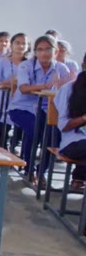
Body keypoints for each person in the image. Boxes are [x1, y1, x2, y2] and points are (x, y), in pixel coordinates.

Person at [9, 35, 70, 183]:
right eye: (40, 50)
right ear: (35, 52)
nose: (44, 53)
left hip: (48, 109)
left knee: (54, 135)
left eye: (48, 49)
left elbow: (68, 91)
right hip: (22, 108)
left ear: (56, 51)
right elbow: (23, 88)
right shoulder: (26, 65)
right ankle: (29, 169)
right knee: (34, 128)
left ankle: (41, 171)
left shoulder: (61, 68)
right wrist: (45, 86)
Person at [54, 53, 86, 193]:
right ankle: (79, 177)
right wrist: (83, 119)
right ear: (84, 65)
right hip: (73, 141)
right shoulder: (69, 89)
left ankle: (79, 177)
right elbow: (63, 126)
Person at [0, 33, 29, 141]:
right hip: (2, 102)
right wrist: (9, 83)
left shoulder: (30, 64)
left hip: (22, 103)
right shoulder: (3, 61)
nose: (21, 46)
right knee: (0, 137)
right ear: (11, 45)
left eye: (24, 43)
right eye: (17, 43)